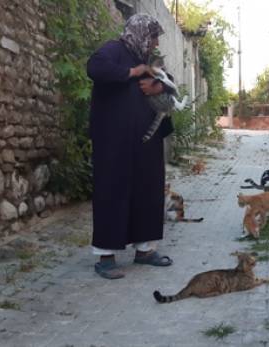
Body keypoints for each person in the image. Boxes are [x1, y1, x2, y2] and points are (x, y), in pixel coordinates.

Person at [86, 14, 174, 279]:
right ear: (140, 33)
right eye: (153, 36)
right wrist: (132, 73)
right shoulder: (113, 50)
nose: (155, 43)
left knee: (147, 191)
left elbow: (166, 80)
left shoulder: (143, 59)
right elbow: (95, 68)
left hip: (145, 142)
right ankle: (105, 256)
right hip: (113, 142)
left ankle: (145, 250)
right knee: (112, 192)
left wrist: (157, 85)